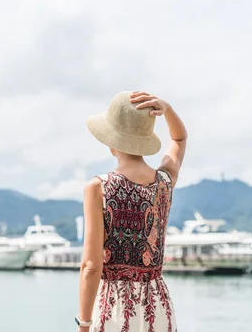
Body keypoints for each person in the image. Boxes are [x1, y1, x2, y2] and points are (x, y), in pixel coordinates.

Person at [76, 91, 187, 332]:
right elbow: (179, 139)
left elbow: (91, 266)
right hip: (157, 306)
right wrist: (166, 109)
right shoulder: (165, 181)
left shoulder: (99, 188)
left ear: (111, 141)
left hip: (114, 309)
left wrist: (83, 324)